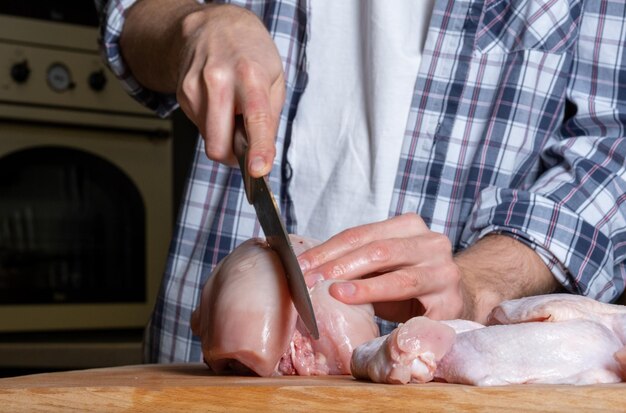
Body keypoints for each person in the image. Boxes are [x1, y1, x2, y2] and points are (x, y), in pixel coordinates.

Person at [95, 0, 626, 363]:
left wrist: (474, 283)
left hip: (445, 368)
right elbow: (130, 17)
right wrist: (191, 25)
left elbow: (610, 148)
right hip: (198, 369)